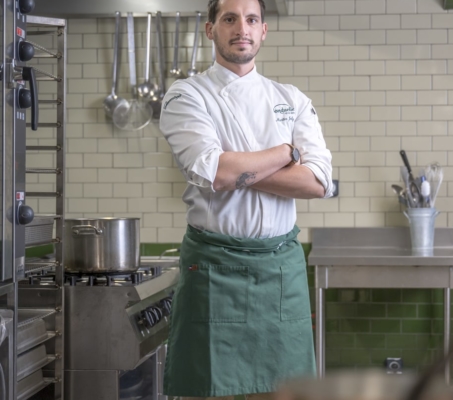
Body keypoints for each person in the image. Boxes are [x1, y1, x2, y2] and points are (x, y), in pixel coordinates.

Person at [159, 0, 333, 398]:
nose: (242, 28)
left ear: (263, 30)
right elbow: (212, 171)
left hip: (280, 272)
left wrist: (237, 170)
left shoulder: (292, 99)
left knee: (285, 392)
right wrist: (287, 154)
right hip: (214, 269)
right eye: (230, 18)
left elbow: (318, 183)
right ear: (210, 29)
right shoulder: (187, 95)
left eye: (252, 19)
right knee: (208, 388)